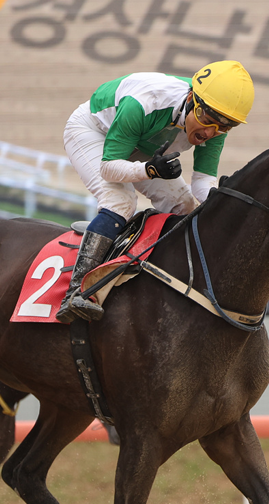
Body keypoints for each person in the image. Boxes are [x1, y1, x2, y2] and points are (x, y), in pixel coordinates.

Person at [57, 60, 255, 323]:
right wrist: (149, 170)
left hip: (143, 145)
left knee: (185, 206)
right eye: (208, 121)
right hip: (94, 133)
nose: (211, 133)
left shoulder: (216, 119)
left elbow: (202, 182)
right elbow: (108, 169)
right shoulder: (145, 102)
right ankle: (77, 292)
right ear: (192, 100)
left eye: (225, 127)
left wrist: (222, 202)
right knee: (121, 203)